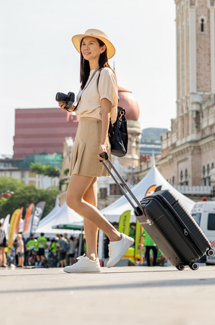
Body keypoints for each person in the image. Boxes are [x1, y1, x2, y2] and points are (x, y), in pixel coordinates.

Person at [59, 29, 134, 273]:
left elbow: (105, 111)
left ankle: (116, 237)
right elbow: (87, 109)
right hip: (83, 133)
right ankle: (91, 258)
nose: (86, 47)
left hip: (94, 135)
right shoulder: (89, 76)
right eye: (84, 44)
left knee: (72, 199)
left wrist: (102, 142)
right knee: (88, 200)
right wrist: (69, 107)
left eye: (92, 43)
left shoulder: (105, 74)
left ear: (103, 48)